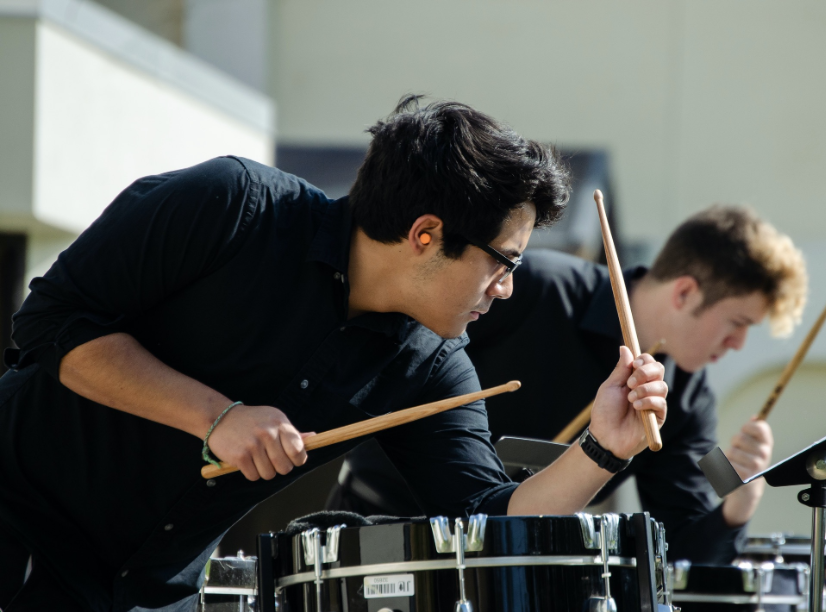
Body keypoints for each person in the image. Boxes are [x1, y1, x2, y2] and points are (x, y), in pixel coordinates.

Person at [0, 96, 667, 612]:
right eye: (503, 263)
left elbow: (488, 520)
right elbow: (51, 325)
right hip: (19, 524)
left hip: (144, 586)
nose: (508, 287)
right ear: (426, 235)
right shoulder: (230, 206)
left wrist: (605, 449)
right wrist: (217, 416)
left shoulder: (432, 363)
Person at [328, 205, 808, 564]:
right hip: (384, 533)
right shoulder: (533, 287)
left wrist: (737, 506)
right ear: (685, 293)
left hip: (519, 568)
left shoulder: (685, 397)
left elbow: (680, 551)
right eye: (738, 323)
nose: (740, 345)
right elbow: (398, 354)